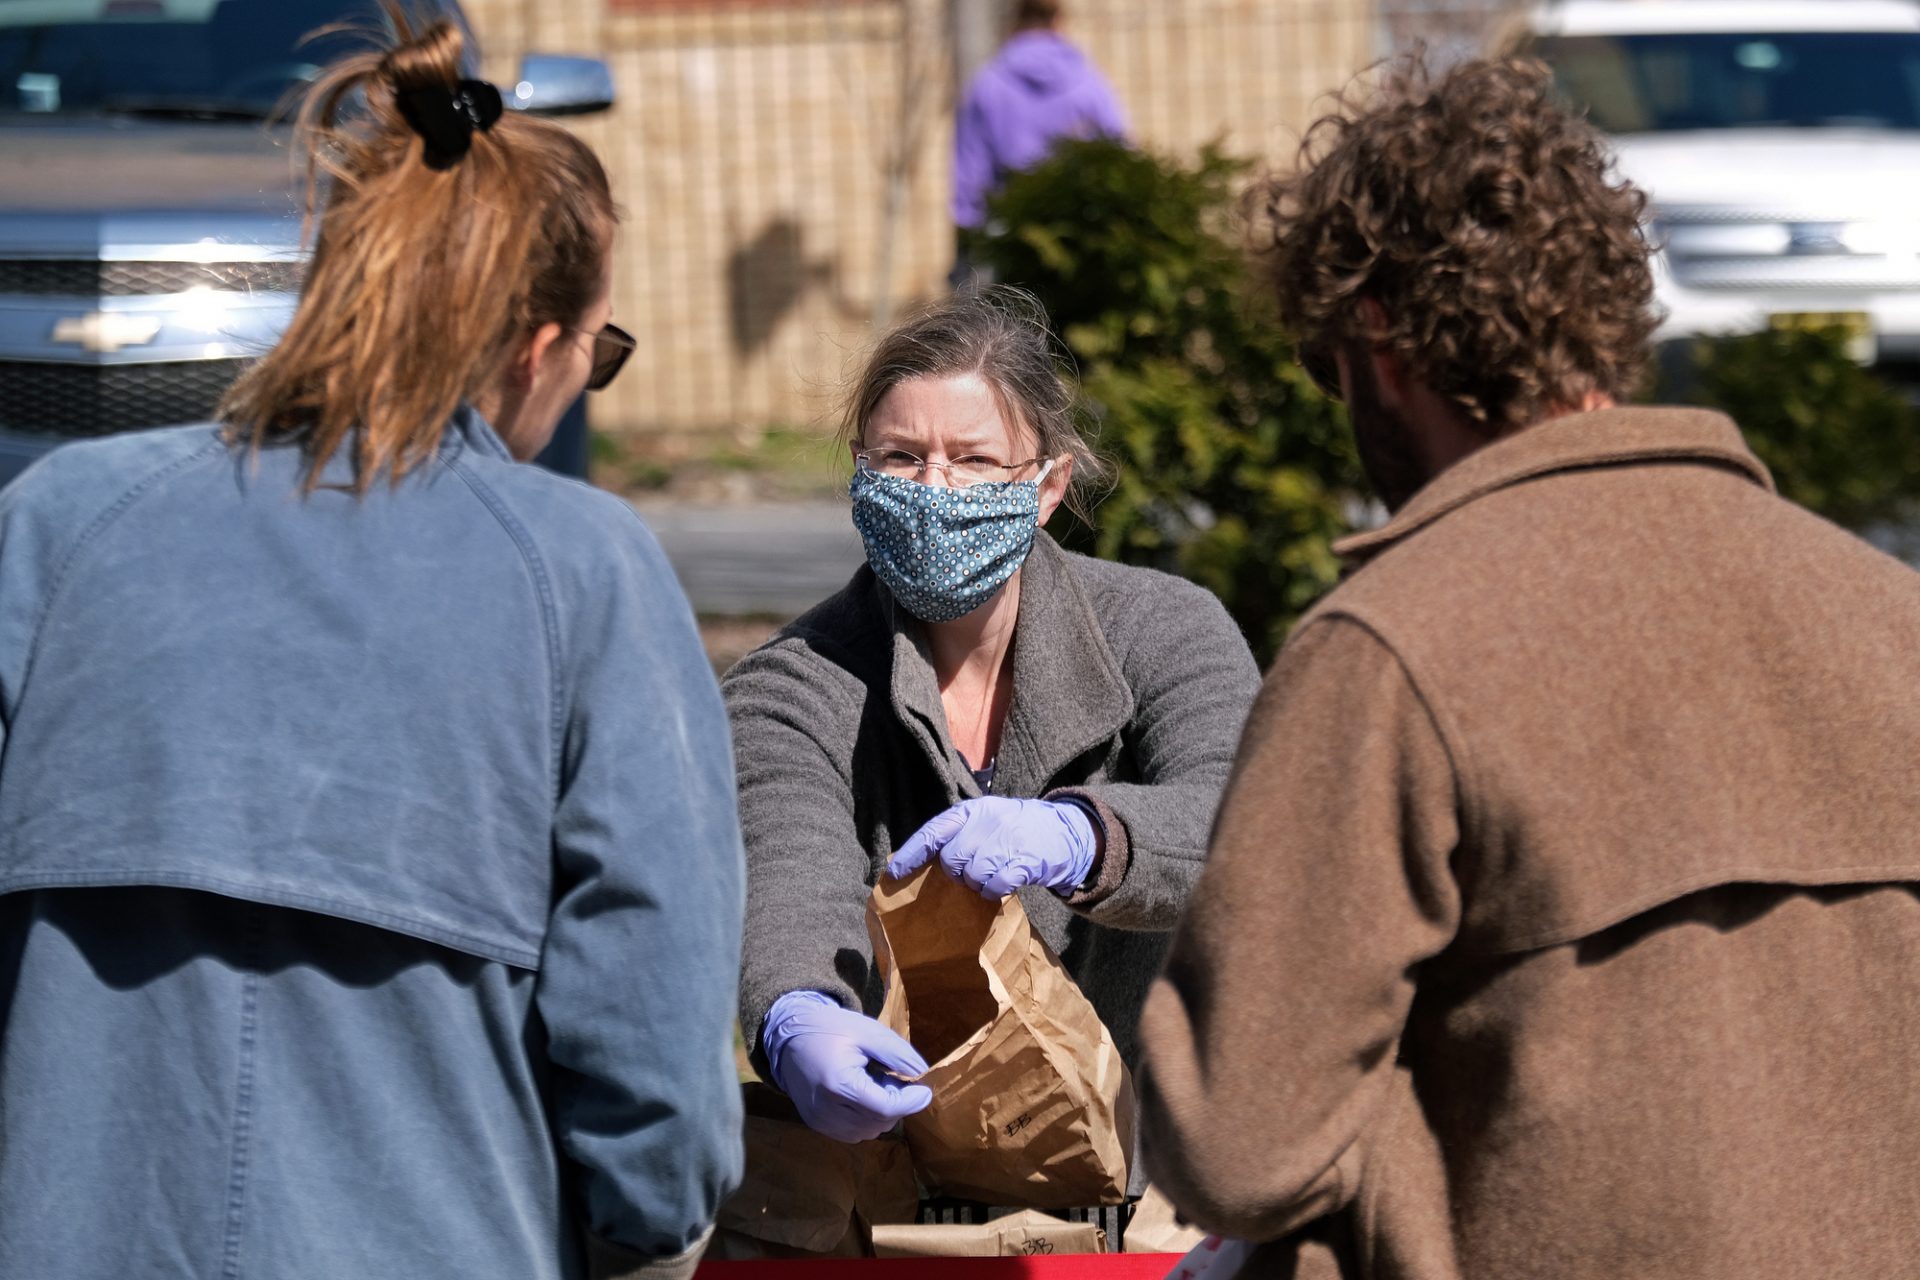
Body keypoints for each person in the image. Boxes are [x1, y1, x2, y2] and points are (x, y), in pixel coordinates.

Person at [1139, 56, 1920, 1280]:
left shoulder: (1390, 651)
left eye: (1322, 364)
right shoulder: (1894, 618)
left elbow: (1236, 1143)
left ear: (1377, 337)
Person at [0, 12, 743, 1280]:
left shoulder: (53, 527)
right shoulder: (584, 572)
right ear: (540, 345)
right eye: (597, 355)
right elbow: (657, 1082)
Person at [726, 288, 1258, 1158]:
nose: (936, 490)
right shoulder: (793, 683)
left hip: (1155, 1163)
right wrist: (800, 1014)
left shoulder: (1167, 628)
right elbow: (790, 867)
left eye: (974, 461)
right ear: (859, 474)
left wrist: (1087, 837)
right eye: (901, 458)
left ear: (1047, 486)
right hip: (899, 1164)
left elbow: (1246, 822)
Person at [950, 0, 1127, 281]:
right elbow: (1119, 158)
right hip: (1081, 230)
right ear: (1059, 21)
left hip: (1011, 235)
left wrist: (967, 242)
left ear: (1014, 22)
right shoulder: (1089, 83)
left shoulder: (988, 85)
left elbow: (969, 176)